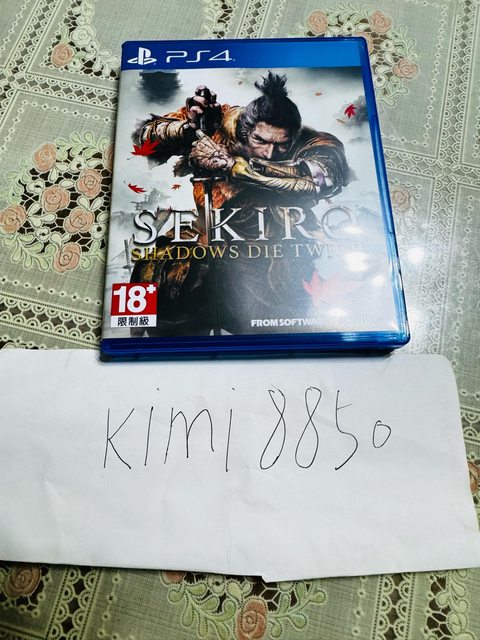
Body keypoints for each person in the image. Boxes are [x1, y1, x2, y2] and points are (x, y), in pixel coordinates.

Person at [131, 72, 352, 336]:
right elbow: (145, 137)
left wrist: (233, 165)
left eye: (281, 145)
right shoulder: (219, 120)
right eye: (260, 140)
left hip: (269, 252)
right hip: (204, 238)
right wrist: (185, 129)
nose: (269, 152)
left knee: (277, 329)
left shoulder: (312, 141)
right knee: (166, 305)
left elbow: (323, 176)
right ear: (246, 131)